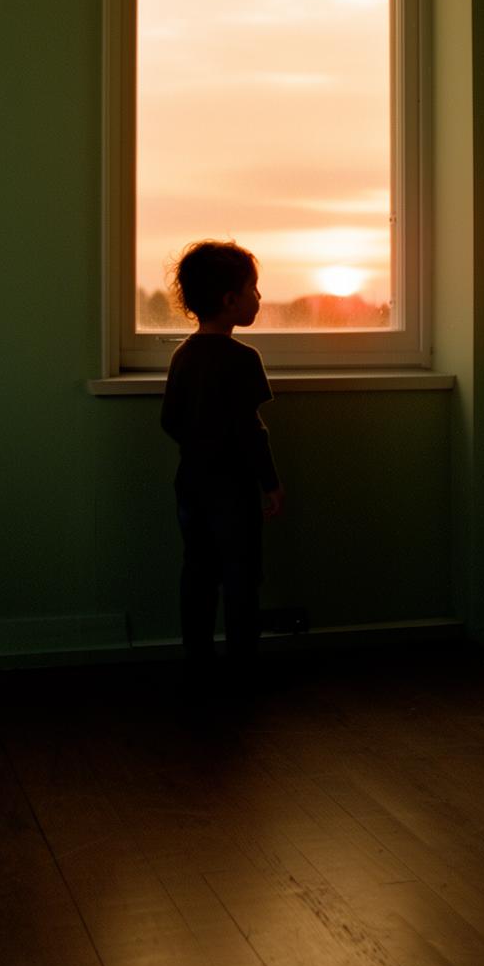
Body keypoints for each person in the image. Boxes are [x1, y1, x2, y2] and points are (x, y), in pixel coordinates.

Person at [161, 240, 284, 677]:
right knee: (241, 576)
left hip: (191, 481)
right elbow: (252, 431)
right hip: (232, 488)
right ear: (231, 301)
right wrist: (269, 483)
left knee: (197, 572)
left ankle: (197, 660)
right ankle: (242, 666)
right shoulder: (243, 360)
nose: (259, 297)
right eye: (254, 288)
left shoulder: (183, 356)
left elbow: (169, 420)